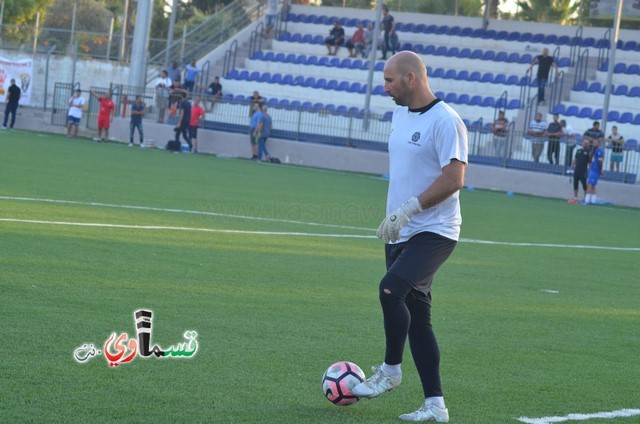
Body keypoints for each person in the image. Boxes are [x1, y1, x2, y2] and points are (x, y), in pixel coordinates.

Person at [351, 51, 468, 423]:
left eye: (389, 81)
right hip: (401, 231)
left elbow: (454, 179)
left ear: (411, 79)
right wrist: (396, 217)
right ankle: (436, 405)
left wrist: (409, 210)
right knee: (418, 320)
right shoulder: (400, 114)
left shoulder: (446, 121)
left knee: (390, 289)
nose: (385, 88)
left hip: (435, 231)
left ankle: (390, 371)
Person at [569, 138, 590, 203]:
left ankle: (586, 198)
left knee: (584, 185)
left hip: (583, 171)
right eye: (584, 143)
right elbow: (575, 159)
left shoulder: (589, 152)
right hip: (577, 170)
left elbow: (590, 162)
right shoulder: (578, 151)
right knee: (575, 183)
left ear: (588, 145)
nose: (585, 144)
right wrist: (571, 167)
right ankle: (575, 197)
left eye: (586, 143)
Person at [585, 137, 604, 205]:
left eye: (595, 143)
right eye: (593, 143)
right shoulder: (595, 150)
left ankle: (587, 200)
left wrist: (601, 169)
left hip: (595, 170)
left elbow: (600, 161)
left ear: (599, 144)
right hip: (593, 169)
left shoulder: (599, 150)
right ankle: (592, 201)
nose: (594, 144)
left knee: (589, 184)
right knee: (593, 185)